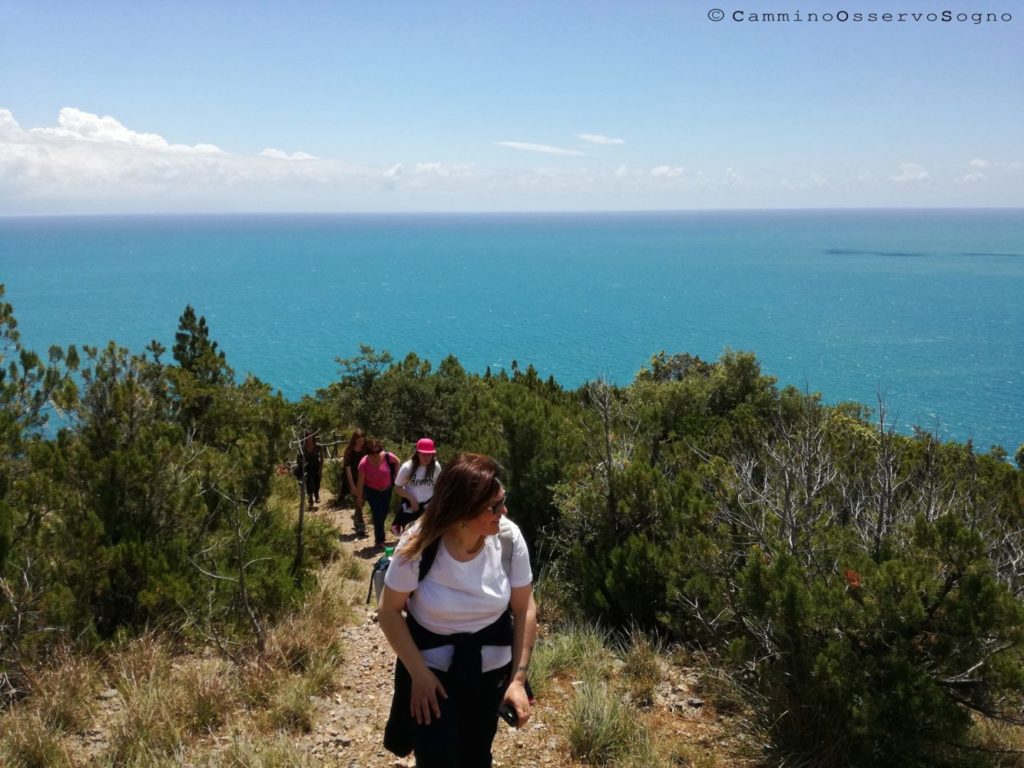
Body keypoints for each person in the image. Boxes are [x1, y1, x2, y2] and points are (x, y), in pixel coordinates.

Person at [378, 453, 538, 768]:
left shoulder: (506, 539)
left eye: (503, 501)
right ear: (462, 512)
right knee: (437, 758)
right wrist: (419, 676)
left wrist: (517, 680)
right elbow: (389, 611)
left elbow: (524, 608)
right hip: (432, 676)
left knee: (477, 755)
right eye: (494, 506)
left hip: (489, 674)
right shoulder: (419, 544)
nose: (503, 511)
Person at [393, 437, 442, 536]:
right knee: (409, 536)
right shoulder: (408, 467)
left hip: (428, 507)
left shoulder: (435, 467)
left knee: (427, 535)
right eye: (424, 454)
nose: (427, 457)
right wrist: (411, 498)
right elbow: (397, 487)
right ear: (418, 453)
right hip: (410, 508)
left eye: (430, 454)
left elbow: (438, 486)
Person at [357, 438, 401, 548]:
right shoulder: (363, 463)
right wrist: (359, 498)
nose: (376, 454)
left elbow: (397, 461)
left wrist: (397, 476)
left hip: (387, 489)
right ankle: (379, 540)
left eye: (377, 451)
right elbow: (360, 482)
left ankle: (380, 534)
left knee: (384, 512)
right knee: (377, 514)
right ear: (368, 452)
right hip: (372, 491)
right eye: (372, 452)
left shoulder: (387, 456)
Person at [343, 428, 369, 537]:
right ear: (354, 440)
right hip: (352, 479)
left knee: (362, 501)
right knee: (358, 501)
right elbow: (347, 469)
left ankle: (357, 518)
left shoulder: (366, 449)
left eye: (362, 441)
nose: (360, 443)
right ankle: (361, 526)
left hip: (365, 479)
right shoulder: (349, 452)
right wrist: (352, 486)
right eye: (358, 441)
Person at [296, 431, 324, 508]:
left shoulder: (317, 446)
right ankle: (310, 499)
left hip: (316, 467)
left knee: (317, 482)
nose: (309, 438)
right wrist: (302, 464)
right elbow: (299, 459)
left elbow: (321, 458)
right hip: (308, 468)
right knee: (308, 483)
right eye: (307, 437)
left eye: (310, 436)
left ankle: (316, 494)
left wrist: (320, 469)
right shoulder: (303, 448)